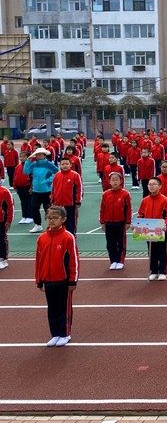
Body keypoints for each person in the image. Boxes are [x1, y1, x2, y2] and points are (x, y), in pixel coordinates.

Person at [35, 205, 79, 347]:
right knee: (52, 308)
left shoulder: (68, 237)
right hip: (48, 280)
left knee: (63, 307)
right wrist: (39, 280)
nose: (51, 221)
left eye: (55, 218)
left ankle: (65, 333)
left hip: (64, 281)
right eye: (49, 218)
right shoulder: (42, 238)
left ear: (63, 219)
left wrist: (73, 280)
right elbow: (38, 260)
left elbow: (74, 260)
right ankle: (55, 334)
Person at [137, 178, 167, 281]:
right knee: (151, 250)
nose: (151, 186)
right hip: (149, 229)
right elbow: (140, 214)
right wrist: (137, 224)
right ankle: (153, 271)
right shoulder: (145, 200)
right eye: (149, 184)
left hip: (160, 229)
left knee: (162, 251)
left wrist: (165, 224)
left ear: (160, 186)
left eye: (154, 184)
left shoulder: (164, 200)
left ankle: (162, 271)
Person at [99, 172, 132, 270]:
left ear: (121, 181)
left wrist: (128, 222)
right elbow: (102, 209)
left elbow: (128, 209)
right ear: (109, 181)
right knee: (110, 243)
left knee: (121, 243)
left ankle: (120, 260)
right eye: (112, 180)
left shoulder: (125, 194)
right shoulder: (106, 194)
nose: (115, 182)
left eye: (117, 180)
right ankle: (113, 260)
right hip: (109, 222)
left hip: (120, 222)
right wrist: (102, 222)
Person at [23, 148, 58, 233]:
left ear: (44, 155)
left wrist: (48, 181)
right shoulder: (34, 164)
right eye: (37, 154)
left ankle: (52, 225)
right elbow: (26, 171)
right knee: (34, 207)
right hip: (36, 190)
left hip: (47, 190)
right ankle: (38, 225)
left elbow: (57, 172)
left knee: (48, 209)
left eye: (41, 154)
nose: (39, 156)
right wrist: (28, 161)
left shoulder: (49, 164)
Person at [50, 157, 83, 236]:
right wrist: (52, 200)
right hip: (58, 204)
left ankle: (71, 235)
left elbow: (79, 188)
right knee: (59, 220)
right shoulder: (57, 175)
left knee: (71, 221)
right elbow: (53, 188)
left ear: (70, 165)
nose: (65, 166)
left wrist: (78, 201)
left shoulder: (75, 175)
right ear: (60, 165)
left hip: (70, 204)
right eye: (63, 164)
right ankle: (60, 235)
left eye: (67, 164)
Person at [13, 150, 32, 225]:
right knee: (23, 202)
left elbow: (32, 178)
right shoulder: (18, 167)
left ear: (28, 158)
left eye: (24, 157)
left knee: (28, 201)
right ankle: (24, 216)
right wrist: (15, 186)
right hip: (19, 187)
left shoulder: (30, 166)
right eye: (21, 157)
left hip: (27, 186)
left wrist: (31, 187)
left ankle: (30, 216)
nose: (22, 158)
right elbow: (15, 177)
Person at [0, 179, 12, 269]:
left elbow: (10, 206)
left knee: (2, 238)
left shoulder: (4, 191)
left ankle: (3, 259)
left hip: (2, 221)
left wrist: (9, 220)